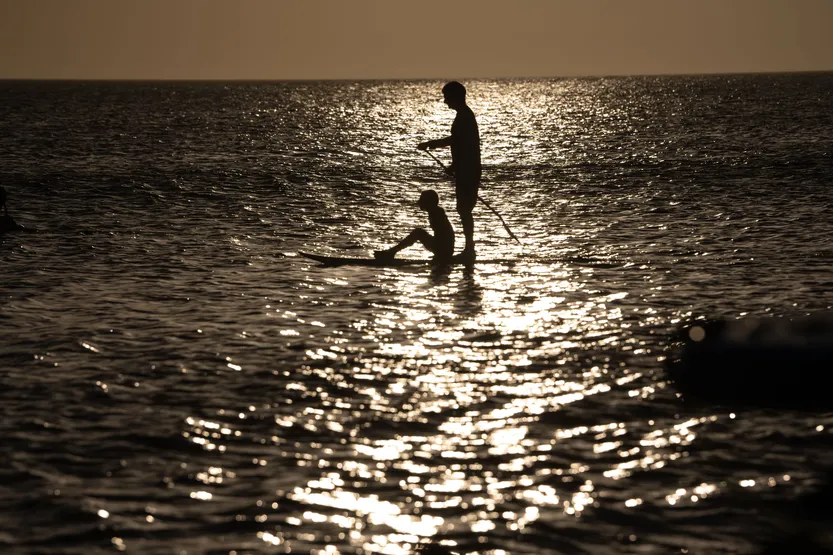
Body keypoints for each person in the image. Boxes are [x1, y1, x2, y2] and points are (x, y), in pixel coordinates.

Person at [418, 81, 481, 261]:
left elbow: (457, 141)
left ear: (455, 97)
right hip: (466, 170)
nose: (445, 102)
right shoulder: (463, 116)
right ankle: (469, 249)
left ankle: (469, 250)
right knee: (464, 209)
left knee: (464, 210)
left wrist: (431, 144)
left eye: (447, 97)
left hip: (469, 171)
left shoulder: (465, 117)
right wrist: (455, 166)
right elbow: (464, 146)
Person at [375, 189, 454, 262]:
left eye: (422, 200)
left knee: (418, 232)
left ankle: (391, 252)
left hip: (444, 249)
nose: (419, 202)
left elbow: (443, 234)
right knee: (418, 232)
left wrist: (440, 254)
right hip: (444, 248)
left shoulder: (436, 213)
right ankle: (391, 252)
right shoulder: (435, 211)